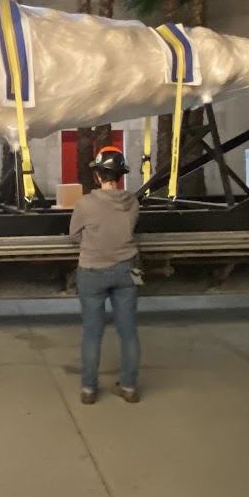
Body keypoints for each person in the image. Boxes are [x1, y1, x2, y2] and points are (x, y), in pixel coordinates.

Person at [69, 146, 142, 405]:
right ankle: (129, 387)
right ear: (120, 175)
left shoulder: (86, 203)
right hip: (128, 269)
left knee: (92, 332)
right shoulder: (133, 201)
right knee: (128, 332)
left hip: (92, 271)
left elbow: (74, 236)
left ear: (98, 175)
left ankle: (89, 389)